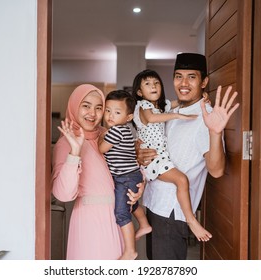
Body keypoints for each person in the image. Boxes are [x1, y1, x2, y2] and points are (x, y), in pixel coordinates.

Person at [138, 53, 240, 260]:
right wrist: (139, 148)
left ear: (204, 82)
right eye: (178, 76)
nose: (183, 83)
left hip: (172, 211)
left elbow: (216, 170)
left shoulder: (206, 117)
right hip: (154, 203)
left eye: (191, 77)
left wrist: (215, 132)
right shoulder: (172, 110)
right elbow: (151, 138)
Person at [51, 84, 145, 260]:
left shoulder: (108, 134)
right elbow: (63, 195)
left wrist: (140, 186)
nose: (92, 113)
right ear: (74, 106)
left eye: (99, 107)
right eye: (86, 105)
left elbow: (129, 165)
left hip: (120, 218)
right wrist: (75, 152)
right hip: (90, 223)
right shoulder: (66, 144)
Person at [132, 69, 212, 243]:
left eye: (156, 83)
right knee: (182, 180)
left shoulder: (162, 106)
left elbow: (181, 101)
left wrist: (203, 100)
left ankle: (185, 219)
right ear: (139, 92)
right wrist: (177, 115)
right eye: (147, 84)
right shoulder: (144, 106)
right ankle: (191, 220)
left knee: (180, 182)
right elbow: (152, 119)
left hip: (159, 158)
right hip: (154, 159)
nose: (153, 86)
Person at [98, 90, 152, 260]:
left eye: (117, 112)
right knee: (131, 204)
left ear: (128, 117)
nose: (110, 116)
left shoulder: (115, 131)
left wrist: (101, 136)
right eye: (108, 110)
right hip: (132, 175)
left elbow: (101, 149)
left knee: (121, 213)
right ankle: (144, 224)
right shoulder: (127, 130)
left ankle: (130, 251)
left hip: (125, 177)